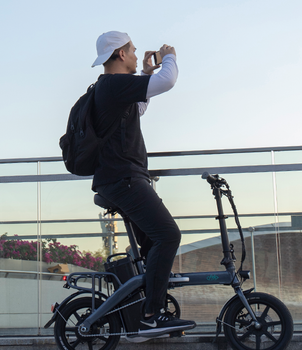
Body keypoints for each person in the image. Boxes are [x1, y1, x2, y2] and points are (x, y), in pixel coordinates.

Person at [90, 31, 196, 337]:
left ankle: (153, 310)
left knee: (153, 244)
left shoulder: (111, 88)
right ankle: (151, 315)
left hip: (121, 179)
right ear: (121, 54)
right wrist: (170, 56)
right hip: (124, 179)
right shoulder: (114, 84)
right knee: (168, 235)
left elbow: (137, 109)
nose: (137, 56)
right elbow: (169, 81)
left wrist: (146, 74)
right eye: (134, 51)